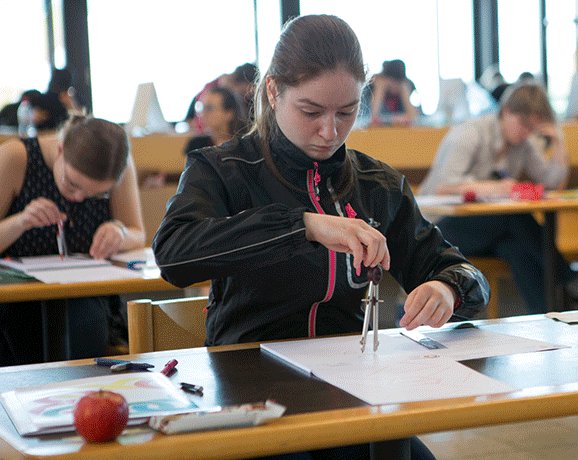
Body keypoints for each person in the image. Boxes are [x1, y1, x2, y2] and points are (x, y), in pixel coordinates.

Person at [153, 15, 487, 459]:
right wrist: (305, 225)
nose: (330, 131)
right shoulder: (221, 170)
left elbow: (462, 272)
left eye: (347, 112)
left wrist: (446, 287)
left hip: (353, 387)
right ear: (273, 92)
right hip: (249, 392)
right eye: (311, 112)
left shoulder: (377, 184)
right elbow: (174, 255)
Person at [0, 115, 146, 365]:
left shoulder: (116, 165)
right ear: (59, 150)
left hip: (87, 297)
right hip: (15, 300)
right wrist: (20, 221)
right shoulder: (16, 157)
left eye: (97, 194)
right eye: (72, 184)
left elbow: (137, 233)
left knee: (85, 324)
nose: (79, 198)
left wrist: (119, 232)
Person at [419, 82, 571, 314]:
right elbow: (444, 186)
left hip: (485, 229)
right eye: (523, 125)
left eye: (532, 129)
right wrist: (496, 188)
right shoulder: (470, 133)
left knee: (515, 248)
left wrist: (559, 140)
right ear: (507, 111)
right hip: (438, 227)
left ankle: (552, 316)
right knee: (511, 218)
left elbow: (551, 182)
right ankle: (569, 279)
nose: (526, 133)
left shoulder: (522, 143)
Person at [184, 62, 258, 133]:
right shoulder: (211, 90)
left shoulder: (244, 97)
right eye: (248, 89)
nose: (249, 93)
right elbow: (191, 116)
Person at [183, 86, 249, 154]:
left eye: (209, 108)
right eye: (201, 108)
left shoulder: (245, 146)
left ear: (229, 113)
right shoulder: (196, 144)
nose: (203, 114)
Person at [367, 59, 421, 126]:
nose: (395, 86)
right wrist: (379, 89)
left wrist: (404, 91)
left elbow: (415, 118)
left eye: (398, 82)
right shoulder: (371, 87)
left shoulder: (406, 87)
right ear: (385, 78)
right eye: (392, 81)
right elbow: (371, 118)